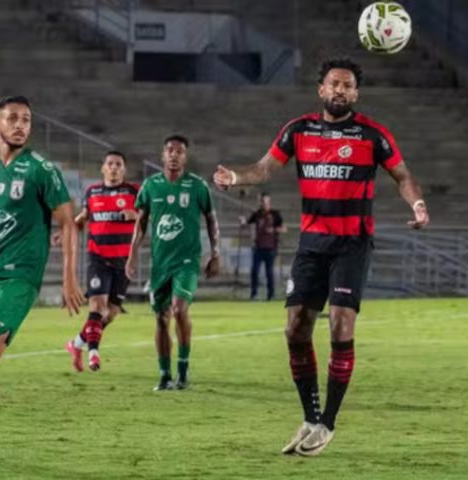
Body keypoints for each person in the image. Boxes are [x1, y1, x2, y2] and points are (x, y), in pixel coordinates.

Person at [214, 57, 429, 456]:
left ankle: (327, 422)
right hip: (312, 244)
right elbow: (264, 168)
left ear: (356, 94)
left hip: (352, 244)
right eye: (334, 84)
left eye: (347, 85)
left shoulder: (373, 135)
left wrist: (416, 204)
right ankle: (310, 418)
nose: (340, 90)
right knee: (295, 328)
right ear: (321, 89)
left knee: (340, 327)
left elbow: (403, 175)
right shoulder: (298, 130)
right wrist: (236, 177)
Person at [0, 95, 84, 404]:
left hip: (18, 276)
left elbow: (68, 223)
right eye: (12, 119)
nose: (20, 125)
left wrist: (69, 278)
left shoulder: (41, 169)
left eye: (26, 120)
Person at [126, 135, 220, 391]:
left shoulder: (197, 186)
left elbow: (211, 219)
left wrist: (215, 253)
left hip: (187, 261)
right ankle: (165, 375)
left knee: (179, 309)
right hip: (160, 264)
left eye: (180, 151)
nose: (174, 155)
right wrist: (132, 253)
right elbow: (141, 222)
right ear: (163, 155)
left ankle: (183, 370)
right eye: (170, 150)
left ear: (185, 157)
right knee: (160, 318)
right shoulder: (151, 186)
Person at [63, 151, 139, 372]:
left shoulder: (134, 191)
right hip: (98, 257)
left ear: (124, 169)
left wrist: (136, 215)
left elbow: (150, 216)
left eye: (118, 164)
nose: (114, 167)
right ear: (103, 168)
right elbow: (84, 216)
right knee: (97, 306)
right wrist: (68, 229)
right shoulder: (92, 192)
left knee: (110, 313)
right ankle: (93, 354)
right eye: (110, 164)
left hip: (123, 261)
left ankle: (76, 343)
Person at [240, 192, 285, 300]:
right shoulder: (257, 214)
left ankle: (271, 294)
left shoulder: (275, 214)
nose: (264, 204)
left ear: (269, 202)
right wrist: (243, 221)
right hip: (258, 247)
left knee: (269, 272)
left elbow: (284, 228)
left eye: (266, 201)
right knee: (254, 271)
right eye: (262, 201)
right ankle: (254, 294)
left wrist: (273, 230)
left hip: (270, 247)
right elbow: (247, 223)